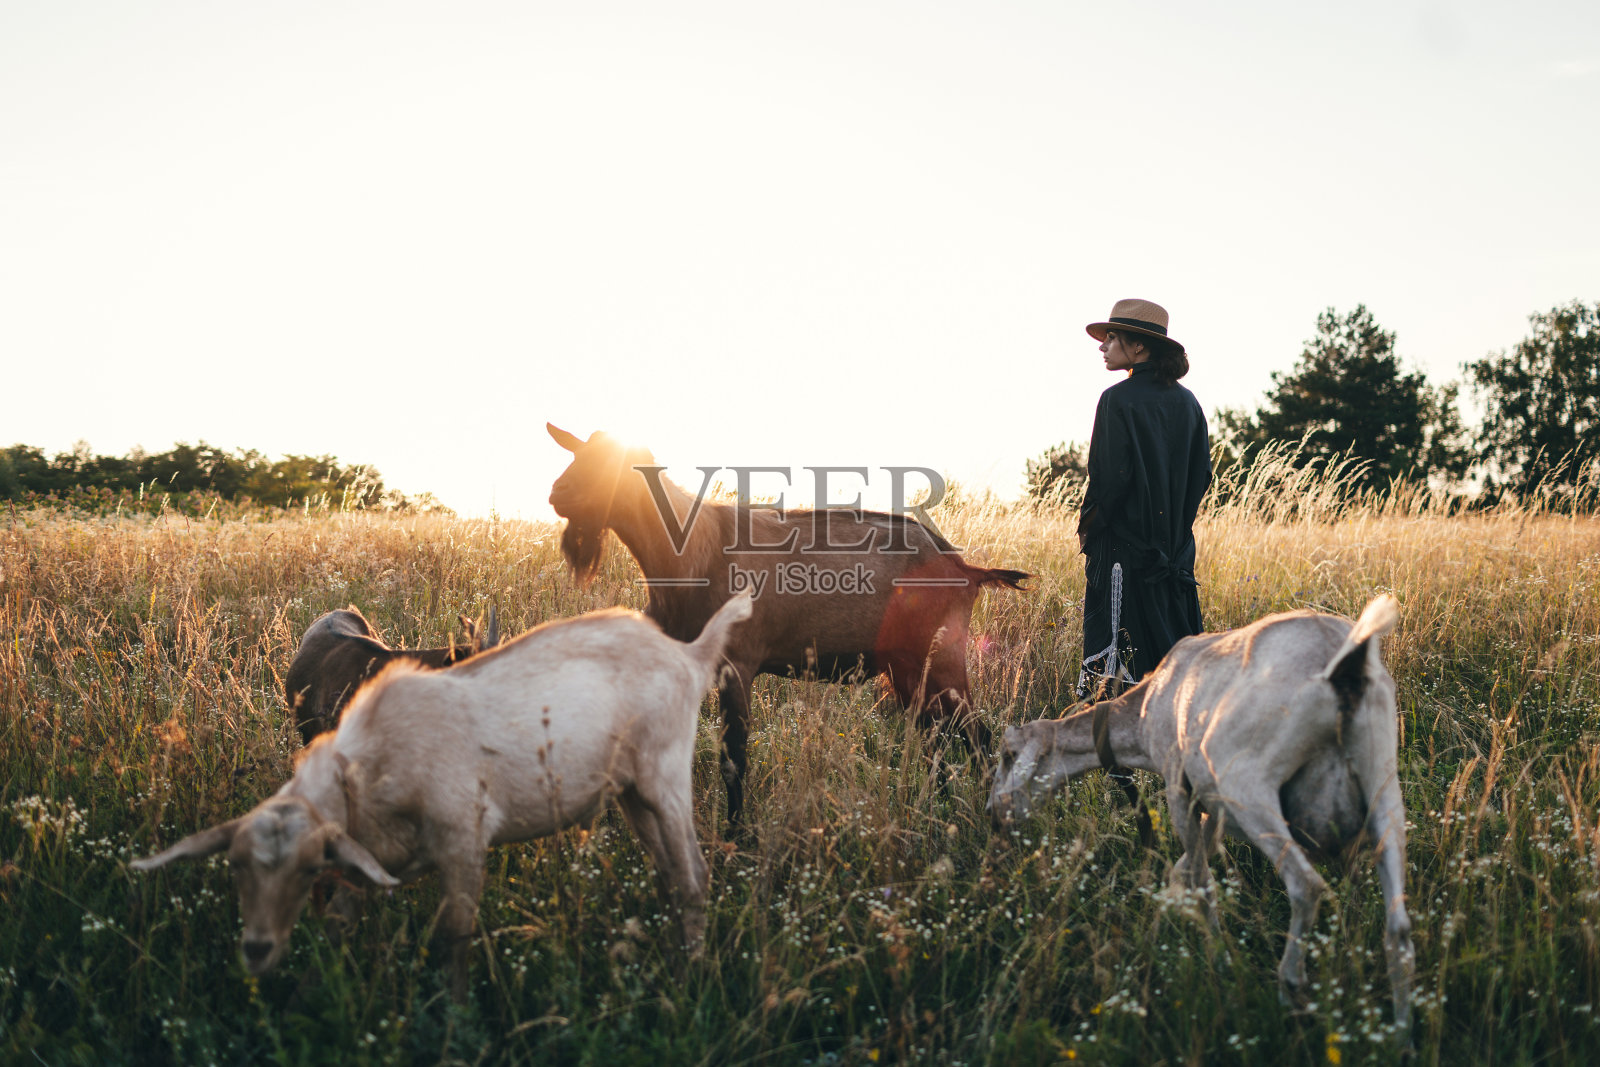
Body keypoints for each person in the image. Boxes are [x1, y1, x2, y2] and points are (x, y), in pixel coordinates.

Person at [1076, 298, 1210, 698]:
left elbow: (1108, 481)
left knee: (1118, 672)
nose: (1103, 346)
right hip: (1175, 554)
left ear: (1138, 347)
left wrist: (1090, 529)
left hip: (1124, 553)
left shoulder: (1116, 399)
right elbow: (1201, 477)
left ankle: (1117, 759)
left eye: (1112, 338)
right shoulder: (1190, 403)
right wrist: (1174, 532)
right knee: (1170, 665)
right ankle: (1174, 750)